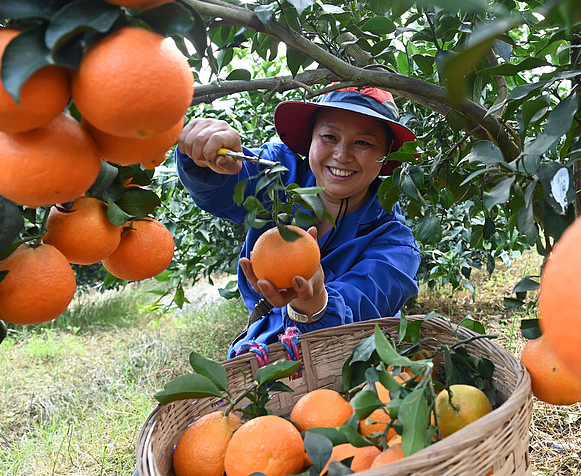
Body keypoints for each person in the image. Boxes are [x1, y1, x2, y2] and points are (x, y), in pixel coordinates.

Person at [174, 85, 421, 357]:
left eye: (363, 142)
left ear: (386, 156)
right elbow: (224, 184)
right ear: (311, 139)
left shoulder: (394, 244)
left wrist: (315, 303)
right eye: (329, 136)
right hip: (258, 353)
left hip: (345, 367)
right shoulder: (279, 174)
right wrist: (205, 153)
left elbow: (357, 313)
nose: (342, 154)